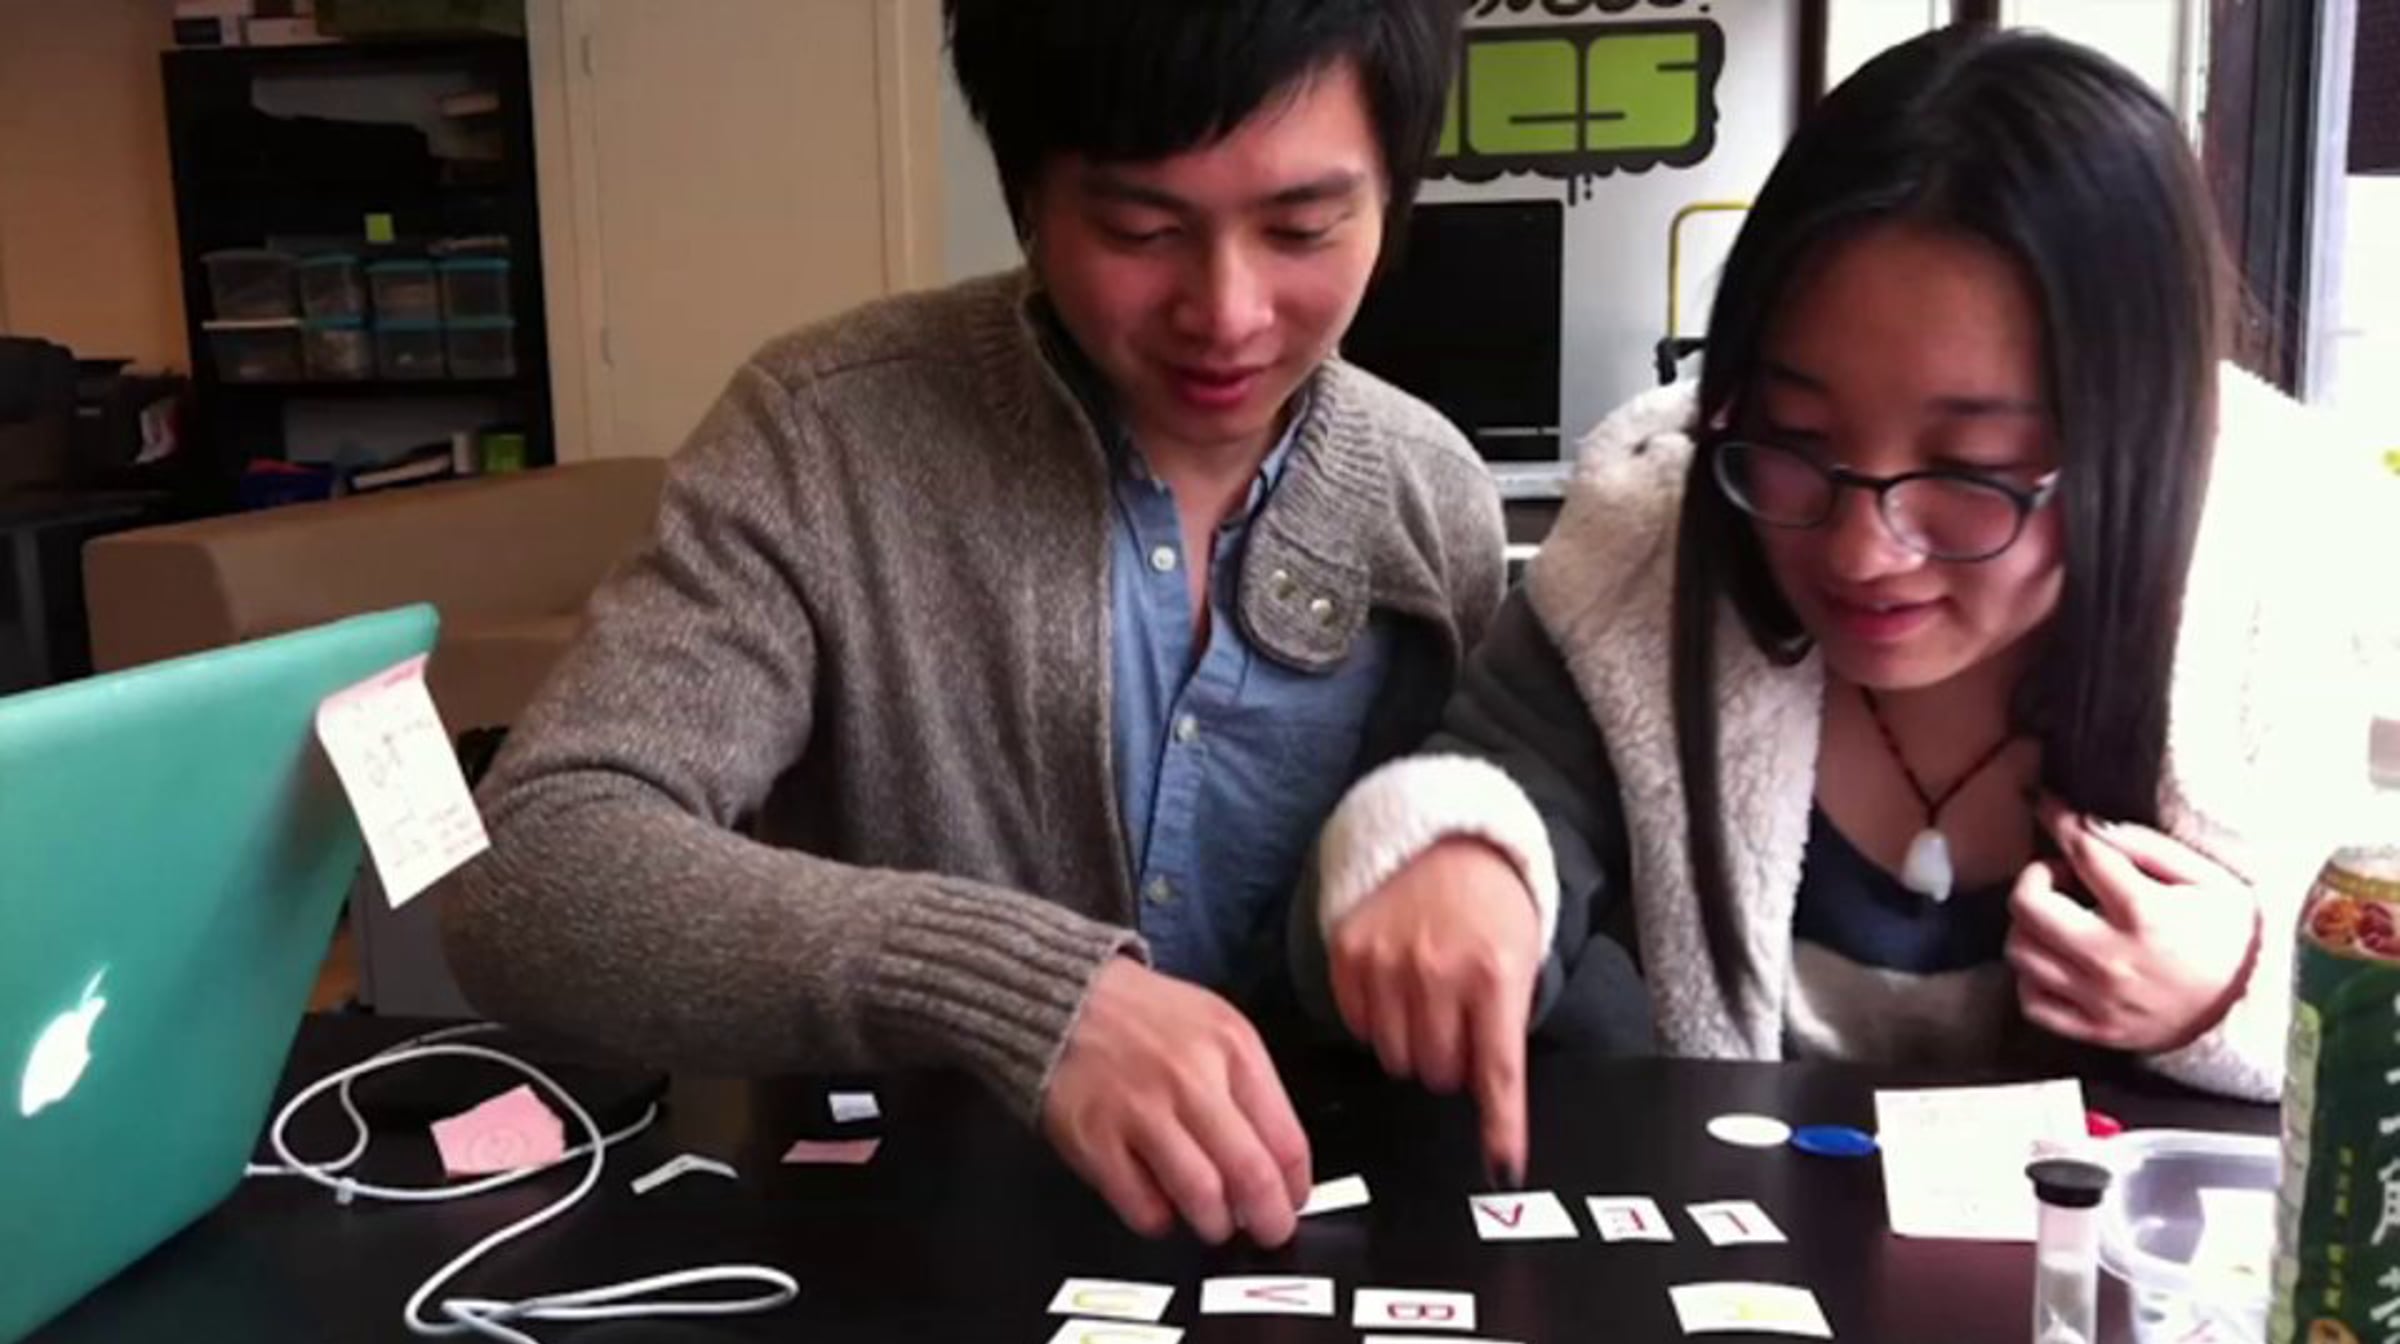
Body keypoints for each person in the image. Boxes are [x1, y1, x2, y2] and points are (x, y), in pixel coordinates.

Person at [444, 0, 1502, 1249]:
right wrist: (1020, 992)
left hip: (1317, 1239)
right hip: (910, 1239)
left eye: (1302, 229)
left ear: (1392, 200)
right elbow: (532, 868)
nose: (1227, 312)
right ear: (1027, 199)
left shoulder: (1432, 496)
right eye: (1140, 229)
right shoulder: (825, 436)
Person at [1302, 25, 2394, 1177]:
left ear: (2144, 447)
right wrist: (1458, 858)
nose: (1864, 552)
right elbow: (1503, 783)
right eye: (1796, 436)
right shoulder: (1649, 551)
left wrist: (2237, 990)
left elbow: (2364, 1027)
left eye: (1971, 468)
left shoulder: (2272, 606)